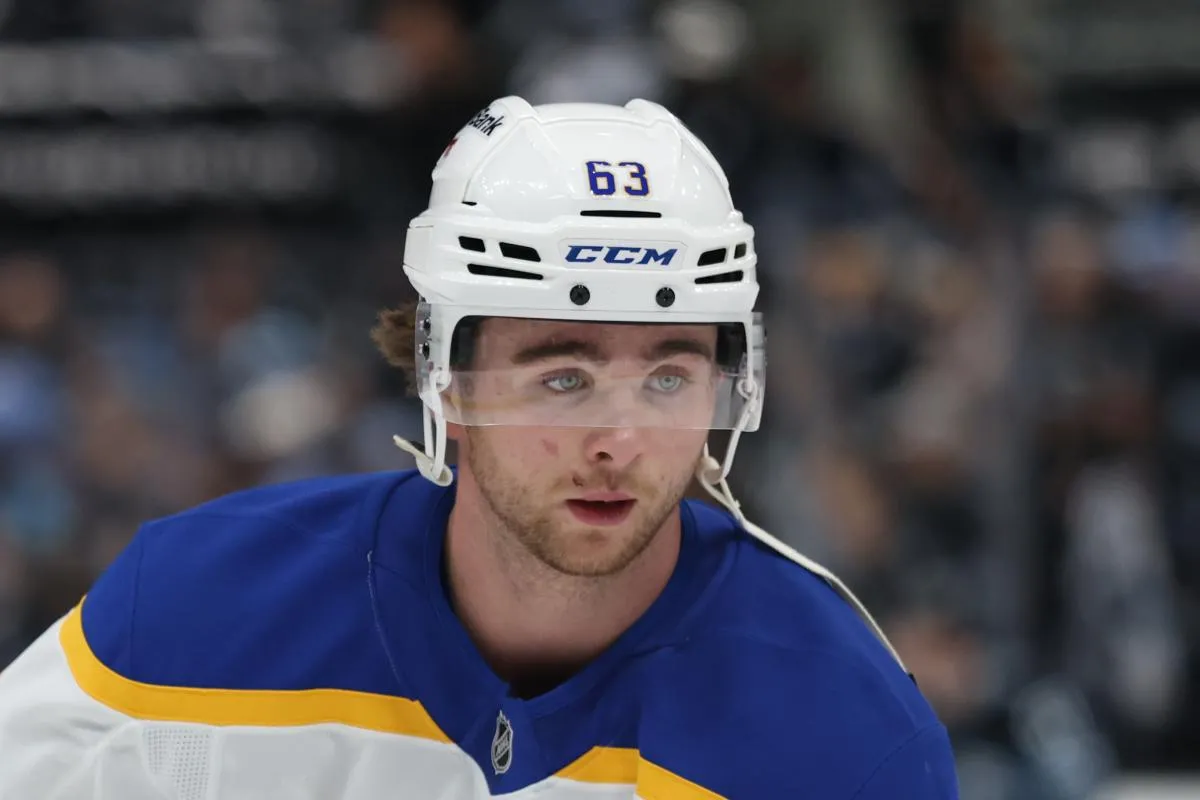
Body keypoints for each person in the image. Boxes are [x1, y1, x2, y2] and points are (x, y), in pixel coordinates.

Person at [0, 97, 959, 798]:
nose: (618, 442)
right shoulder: (184, 609)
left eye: (668, 378)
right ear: (443, 378)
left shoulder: (846, 731)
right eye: (561, 377)